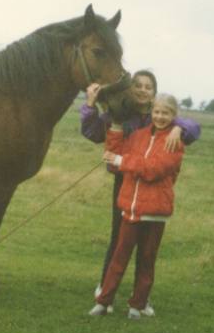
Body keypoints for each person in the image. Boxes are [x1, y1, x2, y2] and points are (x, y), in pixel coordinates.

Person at [80, 71, 200, 312]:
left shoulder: (165, 117)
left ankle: (140, 299)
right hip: (127, 184)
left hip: (152, 192)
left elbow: (193, 128)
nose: (143, 90)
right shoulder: (122, 112)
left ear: (154, 92)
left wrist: (179, 128)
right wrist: (90, 105)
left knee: (147, 251)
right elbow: (93, 133)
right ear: (130, 89)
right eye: (138, 85)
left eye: (148, 86)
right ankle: (105, 290)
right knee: (119, 239)